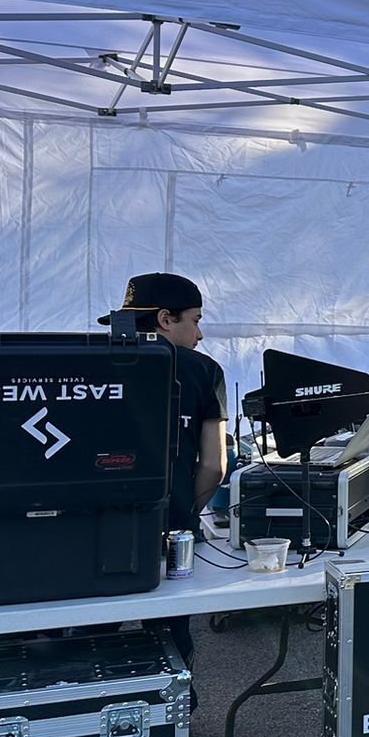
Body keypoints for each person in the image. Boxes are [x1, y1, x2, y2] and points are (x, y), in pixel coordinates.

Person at [101, 272, 226, 664]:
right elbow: (215, 466)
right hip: (171, 533)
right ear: (165, 319)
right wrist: (186, 512)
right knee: (170, 639)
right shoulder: (204, 370)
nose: (200, 334)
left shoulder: (88, 362)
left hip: (95, 534)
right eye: (196, 320)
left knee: (90, 634)